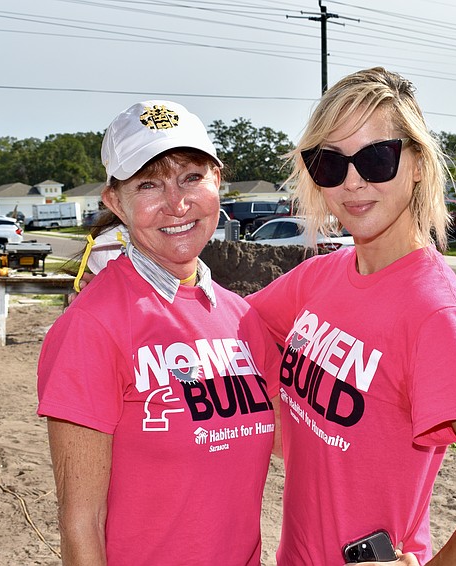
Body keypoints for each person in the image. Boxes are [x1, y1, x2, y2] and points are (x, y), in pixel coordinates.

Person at [245, 67, 456, 565]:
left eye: (376, 157)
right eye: (330, 164)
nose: (353, 182)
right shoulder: (320, 277)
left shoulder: (431, 313)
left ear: (418, 164)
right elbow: (230, 333)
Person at [37, 100, 280, 566]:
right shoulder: (93, 326)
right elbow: (80, 521)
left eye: (191, 177)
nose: (177, 203)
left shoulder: (242, 319)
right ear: (115, 202)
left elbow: (304, 445)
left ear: (218, 182)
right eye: (149, 184)